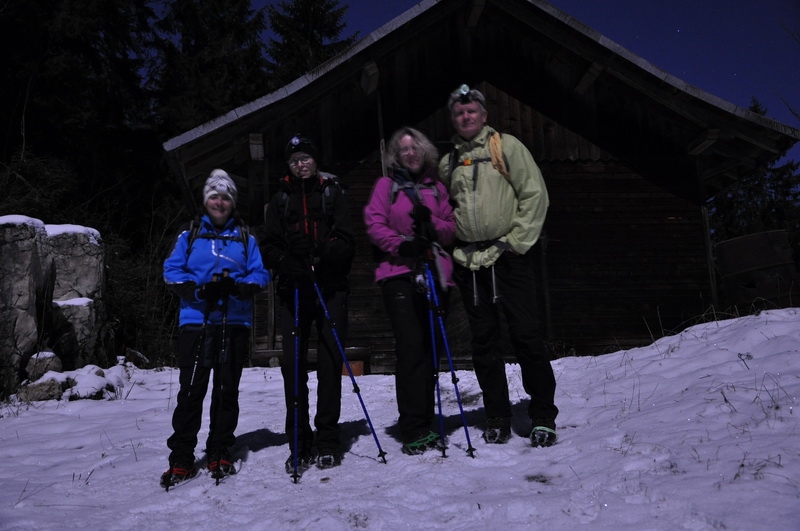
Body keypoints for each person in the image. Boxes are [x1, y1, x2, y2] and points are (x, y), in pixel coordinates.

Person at [438, 85, 559, 447]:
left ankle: (542, 416)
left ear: (484, 115)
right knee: (484, 343)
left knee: (526, 336)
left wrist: (515, 243)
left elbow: (535, 194)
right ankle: (497, 415)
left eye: (471, 111)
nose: (465, 117)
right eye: (459, 113)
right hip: (470, 262)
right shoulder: (449, 163)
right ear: (453, 119)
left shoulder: (505, 147)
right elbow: (443, 211)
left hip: (508, 258)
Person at [161, 169, 270, 488]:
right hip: (197, 321)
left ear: (232, 202)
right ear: (206, 201)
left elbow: (260, 273)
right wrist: (197, 290)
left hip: (233, 322)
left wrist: (241, 288)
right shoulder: (190, 234)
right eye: (214, 197)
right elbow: (171, 270)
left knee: (226, 389)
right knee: (192, 390)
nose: (220, 202)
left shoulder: (245, 236)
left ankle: (219, 449)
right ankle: (181, 456)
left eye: (225, 197)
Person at [260, 134, 355, 472]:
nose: (301, 164)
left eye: (306, 158)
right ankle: (299, 442)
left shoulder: (333, 194)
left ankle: (328, 440)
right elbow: (268, 245)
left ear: (316, 162)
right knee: (294, 368)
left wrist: (321, 252)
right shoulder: (280, 201)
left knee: (330, 366)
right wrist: (288, 261)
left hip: (330, 290)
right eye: (294, 160)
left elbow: (347, 239)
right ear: (289, 166)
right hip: (294, 292)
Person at [364, 127, 456, 455]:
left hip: (435, 273)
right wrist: (403, 246)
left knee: (431, 349)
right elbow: (375, 224)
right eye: (403, 150)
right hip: (400, 273)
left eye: (415, 148)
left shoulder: (437, 188)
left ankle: (425, 420)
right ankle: (413, 427)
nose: (411, 154)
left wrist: (430, 221)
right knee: (411, 346)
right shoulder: (385, 186)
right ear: (395, 156)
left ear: (425, 151)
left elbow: (451, 227)